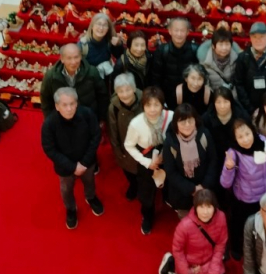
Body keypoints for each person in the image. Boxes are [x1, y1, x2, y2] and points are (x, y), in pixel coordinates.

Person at [41, 87, 103, 229]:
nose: (69, 108)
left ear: (77, 103)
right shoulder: (49, 124)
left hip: (87, 162)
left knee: (90, 181)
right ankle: (70, 209)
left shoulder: (87, 114)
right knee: (66, 189)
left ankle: (91, 197)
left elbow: (95, 136)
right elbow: (49, 149)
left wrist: (85, 162)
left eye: (72, 104)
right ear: (57, 106)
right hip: (64, 166)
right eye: (64, 105)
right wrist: (72, 166)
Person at [220, 118, 266, 258]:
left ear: (253, 132)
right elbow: (225, 183)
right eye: (240, 137)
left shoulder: (263, 142)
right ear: (235, 138)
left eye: (247, 134)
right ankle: (236, 248)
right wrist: (228, 168)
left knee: (264, 226)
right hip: (245, 199)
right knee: (239, 226)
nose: (245, 139)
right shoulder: (233, 153)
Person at [124, 86, 172, 234]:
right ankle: (148, 217)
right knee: (146, 192)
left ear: (162, 105)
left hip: (167, 154)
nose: (152, 109)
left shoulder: (170, 116)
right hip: (147, 158)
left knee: (169, 182)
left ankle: (168, 199)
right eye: (148, 105)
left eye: (156, 105)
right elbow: (129, 145)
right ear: (143, 105)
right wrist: (147, 163)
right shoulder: (136, 123)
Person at [163, 188, 228, 274]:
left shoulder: (221, 217)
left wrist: (213, 269)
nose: (205, 212)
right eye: (201, 207)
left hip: (209, 260)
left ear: (215, 207)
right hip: (192, 266)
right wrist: (187, 272)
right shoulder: (184, 225)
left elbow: (221, 244)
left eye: (209, 207)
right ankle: (170, 263)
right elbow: (178, 250)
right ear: (195, 208)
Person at [163, 104, 218, 216]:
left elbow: (213, 161)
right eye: (182, 122)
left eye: (190, 121)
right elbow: (171, 172)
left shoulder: (204, 135)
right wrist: (192, 189)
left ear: (195, 120)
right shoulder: (170, 142)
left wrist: (203, 186)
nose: (187, 125)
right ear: (175, 124)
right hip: (182, 193)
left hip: (205, 189)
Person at [39, 43, 108, 121]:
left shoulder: (92, 72)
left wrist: (100, 118)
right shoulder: (51, 76)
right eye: (69, 58)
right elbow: (45, 99)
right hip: (61, 119)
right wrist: (49, 119)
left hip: (87, 118)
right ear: (62, 59)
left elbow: (102, 96)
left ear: (81, 57)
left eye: (76, 57)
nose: (73, 62)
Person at [234, 21, 266, 113]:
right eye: (254, 37)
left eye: (261, 37)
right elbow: (239, 83)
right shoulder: (243, 58)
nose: (258, 40)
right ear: (250, 38)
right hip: (247, 108)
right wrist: (249, 108)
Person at [107, 72, 142, 200]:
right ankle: (133, 185)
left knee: (143, 171)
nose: (125, 94)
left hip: (144, 145)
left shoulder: (144, 101)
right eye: (120, 91)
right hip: (125, 145)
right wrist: (117, 150)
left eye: (128, 90)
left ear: (134, 89)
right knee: (128, 169)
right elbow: (113, 130)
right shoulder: (113, 108)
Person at [151, 17, 198, 109]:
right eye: (176, 30)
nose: (179, 34)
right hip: (167, 96)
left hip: (189, 97)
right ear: (170, 31)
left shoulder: (195, 50)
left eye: (182, 31)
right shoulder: (161, 50)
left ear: (188, 32)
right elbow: (155, 78)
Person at [202, 85, 250, 174]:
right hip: (215, 158)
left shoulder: (242, 116)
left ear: (231, 102)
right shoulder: (206, 119)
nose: (222, 106)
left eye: (226, 101)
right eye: (218, 102)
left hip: (239, 157)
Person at [78, 12, 122, 79]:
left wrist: (118, 45)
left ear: (108, 29)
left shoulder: (109, 42)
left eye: (104, 25)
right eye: (98, 24)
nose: (101, 28)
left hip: (105, 81)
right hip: (88, 81)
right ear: (92, 26)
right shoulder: (83, 45)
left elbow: (121, 58)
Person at [197, 26, 239, 94]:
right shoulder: (205, 62)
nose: (224, 48)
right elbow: (205, 86)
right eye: (221, 44)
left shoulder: (237, 60)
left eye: (227, 44)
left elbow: (239, 83)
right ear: (213, 46)